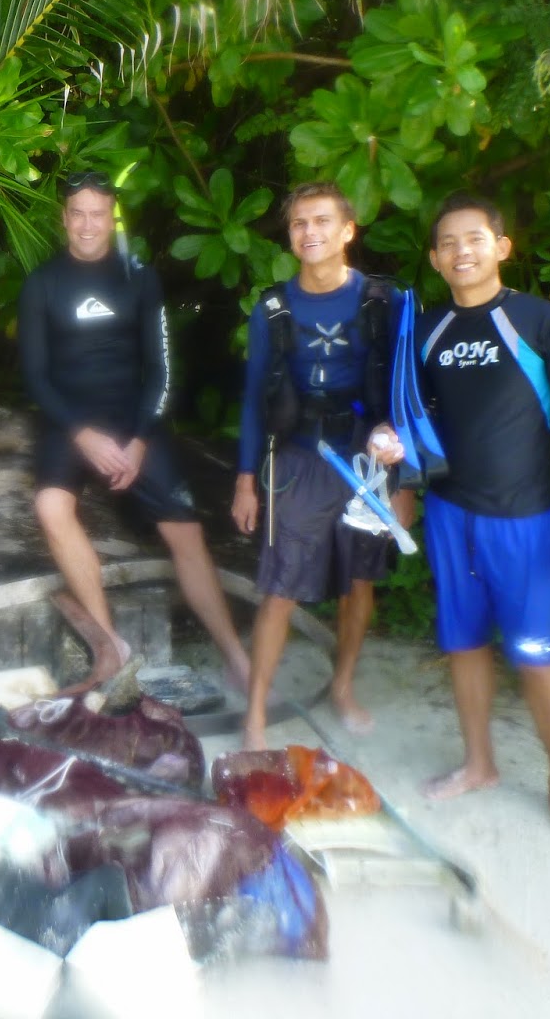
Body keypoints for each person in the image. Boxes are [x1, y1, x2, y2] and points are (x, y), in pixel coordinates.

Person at [374, 193, 550, 839]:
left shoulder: (540, 322)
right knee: (464, 645)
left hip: (524, 523)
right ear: (435, 260)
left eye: (473, 238)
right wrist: (404, 483)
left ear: (502, 248)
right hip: (450, 517)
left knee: (534, 654)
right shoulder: (428, 331)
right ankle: (479, 764)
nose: (460, 250)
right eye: (447, 242)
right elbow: (417, 420)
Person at [17, 170, 251, 689]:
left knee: (186, 532)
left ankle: (236, 655)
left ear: (111, 218)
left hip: (131, 420)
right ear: (64, 218)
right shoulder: (43, 283)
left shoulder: (138, 278)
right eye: (76, 213)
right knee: (50, 506)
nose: (86, 224)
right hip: (68, 421)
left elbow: (162, 369)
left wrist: (140, 439)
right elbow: (34, 375)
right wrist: (82, 435)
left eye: (97, 214)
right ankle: (110, 646)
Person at [234, 182, 408, 749]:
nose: (309, 233)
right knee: (279, 589)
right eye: (299, 224)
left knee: (358, 582)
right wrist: (244, 481)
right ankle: (256, 713)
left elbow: (411, 391)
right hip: (299, 459)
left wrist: (409, 473)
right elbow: (254, 393)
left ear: (347, 230)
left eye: (321, 221)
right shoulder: (273, 307)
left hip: (367, 458)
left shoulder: (387, 301)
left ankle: (343, 684)